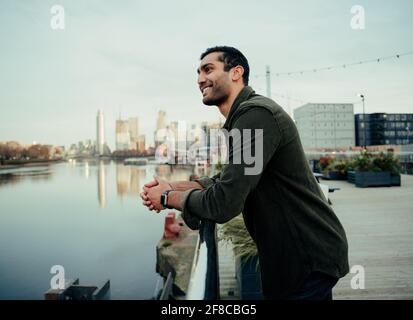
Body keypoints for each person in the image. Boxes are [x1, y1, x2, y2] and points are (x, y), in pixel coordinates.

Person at [140, 46, 349, 300]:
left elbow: (225, 202)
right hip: (298, 256)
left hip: (305, 256)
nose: (200, 79)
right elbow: (226, 181)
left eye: (208, 69)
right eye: (198, 72)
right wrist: (173, 186)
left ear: (236, 72)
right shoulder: (245, 117)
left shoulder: (255, 116)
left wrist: (166, 199)